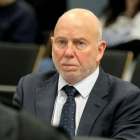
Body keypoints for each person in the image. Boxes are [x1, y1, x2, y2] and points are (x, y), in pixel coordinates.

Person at [13, 8, 140, 139]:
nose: (68, 52)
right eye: (61, 42)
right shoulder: (28, 86)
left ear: (100, 50)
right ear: (52, 45)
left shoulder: (126, 97)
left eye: (80, 43)